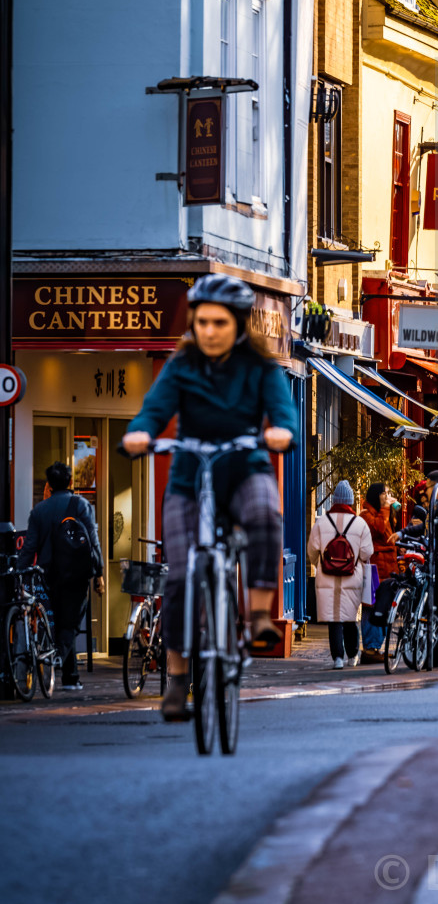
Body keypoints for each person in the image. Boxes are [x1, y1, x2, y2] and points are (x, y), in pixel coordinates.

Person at [123, 274, 296, 722]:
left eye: (219, 322)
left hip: (245, 470)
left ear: (238, 325)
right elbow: (154, 407)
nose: (209, 331)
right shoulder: (182, 365)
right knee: (179, 577)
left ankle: (258, 617)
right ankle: (179, 680)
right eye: (201, 322)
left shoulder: (259, 367)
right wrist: (141, 432)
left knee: (264, 514)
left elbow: (283, 411)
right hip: (189, 479)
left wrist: (281, 431)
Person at [18, 461, 104, 692]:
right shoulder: (82, 505)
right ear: (70, 482)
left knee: (57, 621)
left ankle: (71, 677)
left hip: (48, 575)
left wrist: (20, 574)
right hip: (77, 574)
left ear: (49, 484)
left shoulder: (39, 511)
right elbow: (93, 542)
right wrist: (100, 574)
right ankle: (57, 658)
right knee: (72, 622)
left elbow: (29, 547)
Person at [308, 480, 373, 668]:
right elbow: (367, 552)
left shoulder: (321, 523)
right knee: (350, 616)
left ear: (334, 500)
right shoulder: (359, 523)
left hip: (326, 577)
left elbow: (312, 551)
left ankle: (337, 657)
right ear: (351, 501)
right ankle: (352, 655)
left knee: (333, 617)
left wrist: (321, 565)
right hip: (352, 576)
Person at [359, 482, 398, 662]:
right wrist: (386, 509)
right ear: (376, 495)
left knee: (382, 607)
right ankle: (370, 648)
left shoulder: (382, 513)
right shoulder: (366, 516)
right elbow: (379, 528)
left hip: (386, 571)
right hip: (375, 571)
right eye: (384, 493)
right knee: (372, 607)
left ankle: (376, 647)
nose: (387, 496)